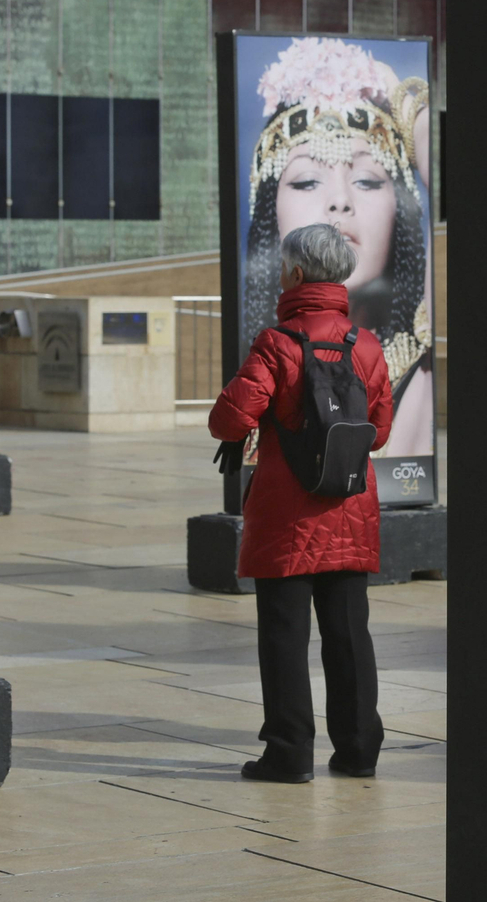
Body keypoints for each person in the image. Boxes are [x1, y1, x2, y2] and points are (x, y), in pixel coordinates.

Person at [210, 222, 393, 783]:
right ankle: (359, 749)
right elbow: (379, 432)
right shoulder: (365, 345)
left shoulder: (277, 343)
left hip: (288, 519)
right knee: (349, 636)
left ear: (294, 273)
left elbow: (227, 419)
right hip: (349, 511)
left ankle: (289, 754)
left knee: (284, 639)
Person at [241, 38, 433, 457]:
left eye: (366, 180)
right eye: (307, 181)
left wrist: (404, 106)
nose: (339, 200)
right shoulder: (275, 352)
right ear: (269, 213)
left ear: (401, 211)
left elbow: (474, 189)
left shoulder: (424, 362)